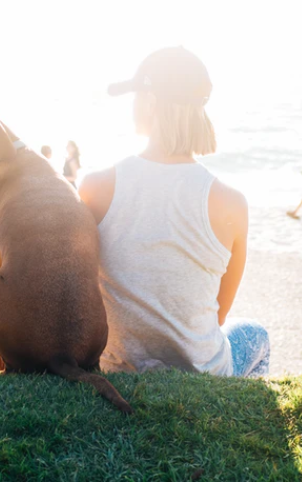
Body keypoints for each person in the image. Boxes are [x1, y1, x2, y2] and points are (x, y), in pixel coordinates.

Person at [79, 46, 269, 377]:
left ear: (151, 101)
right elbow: (218, 316)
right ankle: (238, 416)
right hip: (203, 372)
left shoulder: (96, 186)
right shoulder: (231, 203)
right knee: (257, 335)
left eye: (136, 95)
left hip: (118, 368)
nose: (133, 104)